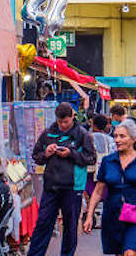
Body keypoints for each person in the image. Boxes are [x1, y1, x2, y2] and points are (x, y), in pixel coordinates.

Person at [27, 102, 96, 256]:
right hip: (51, 186)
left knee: (70, 227)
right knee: (43, 224)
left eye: (66, 122)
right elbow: (36, 156)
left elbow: (91, 158)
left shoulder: (82, 134)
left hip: (73, 187)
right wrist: (47, 153)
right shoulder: (48, 133)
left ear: (72, 117)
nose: (63, 125)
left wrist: (71, 154)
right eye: (60, 122)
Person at [83, 120, 136, 256]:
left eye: (122, 136)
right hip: (113, 214)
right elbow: (98, 191)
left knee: (130, 252)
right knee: (119, 253)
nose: (117, 140)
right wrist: (89, 216)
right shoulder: (108, 161)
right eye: (116, 136)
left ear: (133, 138)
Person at [86, 114, 117, 201]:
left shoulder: (88, 137)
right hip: (106, 172)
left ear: (93, 125)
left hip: (90, 172)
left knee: (90, 195)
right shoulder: (111, 140)